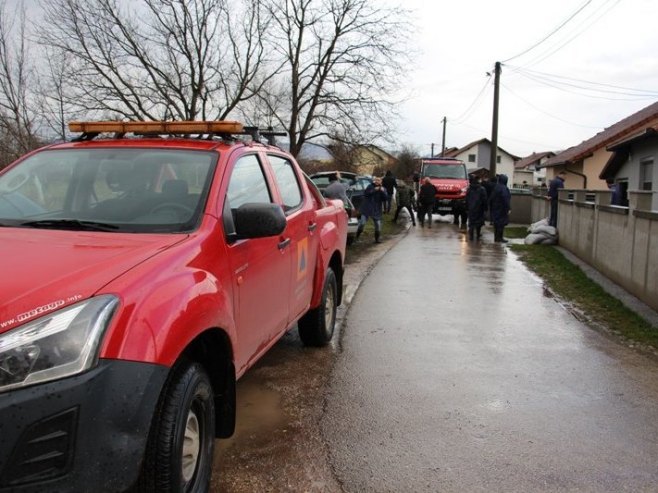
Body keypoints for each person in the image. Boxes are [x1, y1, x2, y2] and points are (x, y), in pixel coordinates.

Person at [355, 176, 388, 243]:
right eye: (376, 180)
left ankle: (377, 239)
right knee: (362, 223)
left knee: (378, 225)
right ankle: (356, 238)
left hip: (376, 209)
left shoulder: (383, 189)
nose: (377, 181)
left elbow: (385, 198)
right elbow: (366, 194)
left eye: (378, 180)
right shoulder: (370, 186)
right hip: (367, 208)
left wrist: (382, 191)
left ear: (381, 182)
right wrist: (374, 190)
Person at [489, 173, 511, 243]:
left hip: (495, 208)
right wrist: (508, 208)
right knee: (501, 224)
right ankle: (500, 238)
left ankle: (496, 237)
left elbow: (491, 198)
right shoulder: (504, 188)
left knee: (496, 224)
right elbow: (505, 199)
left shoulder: (496, 187)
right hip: (502, 209)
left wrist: (491, 206)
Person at [465, 174, 487, 241]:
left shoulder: (469, 189)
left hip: (471, 209)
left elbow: (466, 199)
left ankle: (471, 236)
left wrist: (467, 208)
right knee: (479, 223)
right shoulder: (482, 189)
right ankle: (477, 235)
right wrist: (485, 208)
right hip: (479, 209)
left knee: (471, 223)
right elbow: (484, 200)